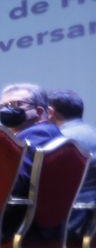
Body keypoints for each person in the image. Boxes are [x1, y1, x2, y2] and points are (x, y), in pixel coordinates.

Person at [49, 88, 96, 237]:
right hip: (90, 219)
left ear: (50, 112)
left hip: (72, 219)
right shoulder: (92, 133)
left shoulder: (59, 139)